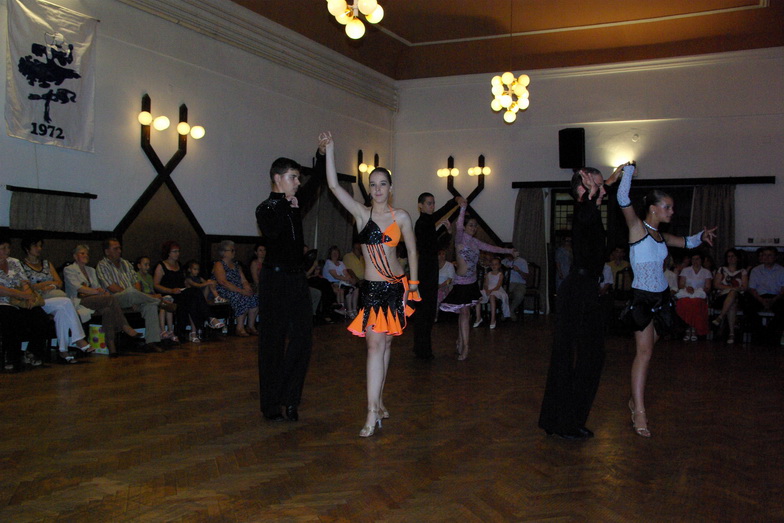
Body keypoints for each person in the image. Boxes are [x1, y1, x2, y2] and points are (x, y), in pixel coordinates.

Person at [324, 131, 420, 438]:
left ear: (390, 188)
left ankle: (378, 402)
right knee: (374, 345)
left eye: (382, 184)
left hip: (396, 288)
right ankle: (370, 410)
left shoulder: (402, 216)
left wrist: (413, 285)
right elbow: (333, 186)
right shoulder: (360, 213)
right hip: (372, 290)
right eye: (373, 184)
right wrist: (330, 150)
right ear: (369, 189)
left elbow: (413, 252)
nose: (377, 189)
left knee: (386, 343)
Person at [616, 163, 716, 437]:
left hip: (662, 298)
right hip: (642, 298)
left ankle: (634, 399)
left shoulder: (661, 236)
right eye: (667, 207)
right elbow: (622, 198)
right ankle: (639, 411)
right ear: (653, 208)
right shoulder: (637, 227)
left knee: (649, 349)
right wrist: (628, 171)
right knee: (644, 353)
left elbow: (687, 242)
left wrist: (702, 236)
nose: (672, 211)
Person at [538, 167, 620, 440]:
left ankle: (561, 420)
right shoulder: (584, 211)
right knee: (579, 356)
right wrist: (592, 194)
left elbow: (599, 195)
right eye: (596, 186)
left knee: (585, 356)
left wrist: (610, 180)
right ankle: (563, 422)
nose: (602, 191)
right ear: (583, 189)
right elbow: (586, 210)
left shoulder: (590, 210)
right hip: (578, 290)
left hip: (584, 289)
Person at [255, 135, 327, 422]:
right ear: (278, 178)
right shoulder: (266, 208)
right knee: (272, 342)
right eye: (293, 177)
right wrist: (288, 205)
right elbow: (272, 231)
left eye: (298, 177)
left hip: (297, 280)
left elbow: (317, 180)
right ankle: (271, 403)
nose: (298, 182)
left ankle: (291, 398)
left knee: (303, 339)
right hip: (274, 281)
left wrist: (321, 153)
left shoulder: (294, 202)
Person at [440, 198, 514, 360]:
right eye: (471, 225)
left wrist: (508, 251)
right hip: (460, 283)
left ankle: (464, 344)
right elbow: (459, 224)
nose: (474, 228)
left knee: (465, 313)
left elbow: (492, 248)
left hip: (471, 283)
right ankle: (463, 343)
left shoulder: (475, 242)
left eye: (475, 226)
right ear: (465, 227)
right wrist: (463, 207)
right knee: (464, 313)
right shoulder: (460, 238)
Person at [20, 236, 92, 362]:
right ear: (27, 248)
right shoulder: (21, 266)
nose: (39, 248)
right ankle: (79, 339)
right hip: (38, 300)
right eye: (35, 246)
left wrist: (50, 285)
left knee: (61, 312)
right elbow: (27, 286)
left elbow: (59, 282)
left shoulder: (46, 263)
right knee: (66, 302)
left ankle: (63, 351)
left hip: (55, 299)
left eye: (40, 246)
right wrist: (47, 284)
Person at [63, 244, 144, 357]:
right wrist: (97, 292)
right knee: (111, 298)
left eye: (87, 254)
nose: (86, 255)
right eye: (82, 253)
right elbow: (79, 288)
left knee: (108, 309)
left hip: (95, 300)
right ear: (75, 256)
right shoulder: (69, 269)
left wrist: (101, 291)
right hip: (78, 300)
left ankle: (111, 347)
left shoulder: (91, 270)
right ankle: (125, 326)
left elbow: (98, 287)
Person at [96, 238, 169, 350]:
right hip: (114, 299)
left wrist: (136, 297)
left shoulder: (126, 263)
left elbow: (136, 281)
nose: (119, 251)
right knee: (130, 291)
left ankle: (151, 342)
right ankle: (158, 300)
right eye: (115, 249)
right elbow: (111, 287)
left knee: (151, 305)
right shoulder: (102, 265)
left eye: (119, 248)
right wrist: (131, 294)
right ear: (107, 251)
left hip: (134, 297)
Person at [154, 241, 225, 343]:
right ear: (168, 253)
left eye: (178, 251)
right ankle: (209, 319)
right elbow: (156, 284)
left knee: (194, 295)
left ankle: (201, 326)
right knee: (193, 297)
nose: (177, 254)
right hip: (169, 294)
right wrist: (171, 290)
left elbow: (182, 281)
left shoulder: (179, 265)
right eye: (175, 251)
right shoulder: (161, 266)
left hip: (180, 293)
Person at [413, 192, 455, 359]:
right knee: (425, 311)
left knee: (427, 311)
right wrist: (454, 201)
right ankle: (423, 349)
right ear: (421, 205)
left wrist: (448, 232)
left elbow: (435, 243)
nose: (432, 206)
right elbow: (434, 246)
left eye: (433, 203)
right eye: (429, 203)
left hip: (429, 268)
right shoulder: (423, 222)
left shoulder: (427, 223)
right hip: (426, 269)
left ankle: (422, 348)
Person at [0, 236, 51, 371]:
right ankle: (12, 357)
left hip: (19, 300)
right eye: (3, 248)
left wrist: (28, 296)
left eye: (8, 248)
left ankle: (32, 352)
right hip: (3, 302)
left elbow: (24, 282)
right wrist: (20, 294)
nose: (7, 251)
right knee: (11, 317)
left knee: (40, 316)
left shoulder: (14, 262)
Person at [213, 240, 260, 336]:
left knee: (254, 297)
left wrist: (247, 288)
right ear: (224, 252)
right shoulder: (219, 264)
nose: (234, 252)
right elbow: (223, 282)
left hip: (238, 289)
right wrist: (241, 291)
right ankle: (240, 328)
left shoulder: (236, 265)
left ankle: (250, 326)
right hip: (225, 290)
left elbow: (243, 280)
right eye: (232, 250)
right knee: (242, 297)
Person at [747, 246, 784, 345]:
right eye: (764, 255)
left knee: (782, 310)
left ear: (776, 257)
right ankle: (760, 332)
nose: (766, 258)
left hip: (776, 296)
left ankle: (769, 333)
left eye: (769, 255)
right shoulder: (756, 270)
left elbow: (783, 289)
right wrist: (761, 300)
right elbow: (752, 288)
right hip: (759, 296)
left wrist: (774, 300)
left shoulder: (781, 270)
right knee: (748, 307)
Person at [712, 248, 748, 344]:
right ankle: (731, 334)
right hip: (722, 296)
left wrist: (734, 289)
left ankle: (721, 316)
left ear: (737, 258)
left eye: (733, 256)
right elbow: (716, 285)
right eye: (728, 256)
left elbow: (745, 287)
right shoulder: (721, 269)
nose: (730, 258)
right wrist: (732, 288)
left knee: (733, 295)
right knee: (732, 302)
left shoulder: (742, 271)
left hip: (738, 296)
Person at [674, 252, 712, 341]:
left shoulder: (706, 272)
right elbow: (681, 285)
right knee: (684, 303)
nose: (695, 261)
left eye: (697, 259)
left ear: (701, 260)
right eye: (693, 259)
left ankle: (694, 329)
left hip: (699, 295)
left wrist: (698, 291)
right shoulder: (685, 270)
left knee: (696, 303)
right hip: (687, 293)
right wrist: (687, 288)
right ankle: (687, 328)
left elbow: (708, 287)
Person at [323, 245, 359, 317]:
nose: (335, 254)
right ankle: (348, 310)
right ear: (330, 254)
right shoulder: (329, 262)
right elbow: (335, 276)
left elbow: (346, 273)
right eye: (333, 253)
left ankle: (354, 310)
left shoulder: (341, 263)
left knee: (356, 289)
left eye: (336, 252)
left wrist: (350, 279)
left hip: (342, 282)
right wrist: (347, 279)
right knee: (348, 290)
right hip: (332, 283)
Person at [480, 256, 510, 329]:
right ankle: (478, 318)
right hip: (488, 289)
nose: (494, 266)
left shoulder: (500, 274)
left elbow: (498, 285)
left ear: (499, 265)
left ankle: (493, 319)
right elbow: (485, 284)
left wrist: (490, 291)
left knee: (492, 296)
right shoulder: (488, 274)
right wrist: (487, 290)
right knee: (478, 296)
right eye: (492, 264)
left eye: (496, 264)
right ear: (490, 265)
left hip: (497, 290)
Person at [501, 249, 528, 321]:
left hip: (519, 283)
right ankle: (505, 311)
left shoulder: (522, 261)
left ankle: (510, 310)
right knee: (502, 293)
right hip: (507, 283)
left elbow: (526, 276)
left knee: (519, 294)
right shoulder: (503, 261)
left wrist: (518, 270)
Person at [436, 249, 455, 314]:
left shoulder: (449, 265)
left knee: (438, 294)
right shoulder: (434, 265)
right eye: (439, 254)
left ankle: (436, 314)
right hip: (435, 286)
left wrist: (440, 286)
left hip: (445, 287)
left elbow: (450, 279)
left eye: (443, 254)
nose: (441, 256)